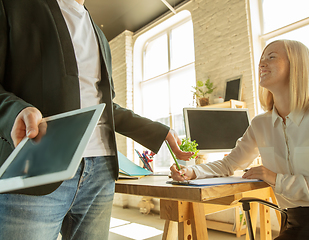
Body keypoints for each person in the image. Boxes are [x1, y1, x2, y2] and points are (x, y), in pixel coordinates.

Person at [0, 0, 193, 239]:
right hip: (36, 167)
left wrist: (159, 131)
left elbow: (104, 107)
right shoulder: (14, 6)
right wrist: (15, 111)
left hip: (100, 172)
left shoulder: (99, 34)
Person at [171, 39, 309, 239]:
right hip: (296, 225)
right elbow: (229, 164)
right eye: (261, 59)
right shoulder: (261, 124)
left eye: (271, 57)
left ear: (297, 65)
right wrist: (192, 171)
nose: (261, 64)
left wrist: (278, 180)